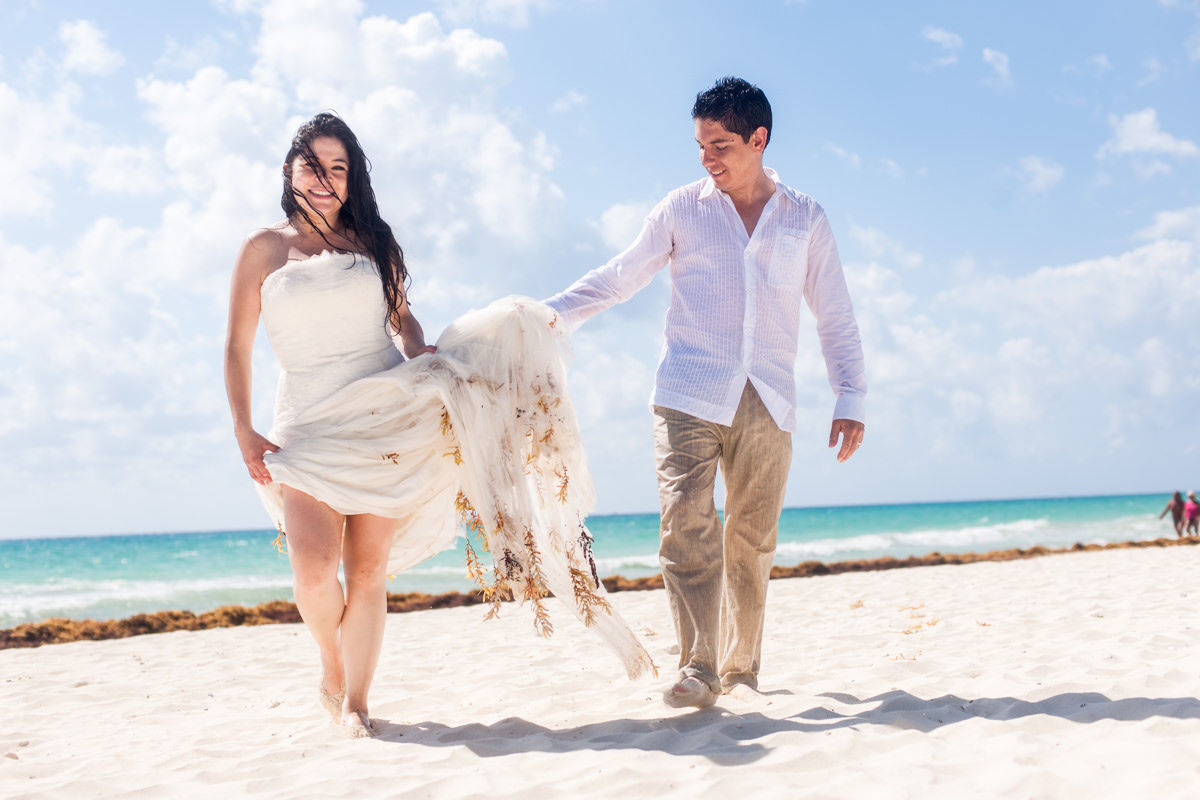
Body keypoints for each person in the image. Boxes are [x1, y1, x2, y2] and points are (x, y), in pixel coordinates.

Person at [225, 113, 652, 738]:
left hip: (387, 416)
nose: (324, 179)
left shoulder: (372, 244)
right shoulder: (263, 249)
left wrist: (424, 359)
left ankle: (356, 705)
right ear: (289, 170)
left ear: (351, 179)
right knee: (314, 572)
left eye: (337, 168)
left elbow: (405, 324)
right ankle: (330, 661)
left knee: (366, 572)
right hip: (308, 424)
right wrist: (244, 428)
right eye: (312, 165)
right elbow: (236, 347)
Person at [543, 77, 866, 709]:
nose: (707, 159)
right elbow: (618, 278)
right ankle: (698, 666)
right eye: (699, 146)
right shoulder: (680, 209)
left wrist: (850, 394)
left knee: (751, 538)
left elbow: (834, 313)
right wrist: (542, 317)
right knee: (684, 525)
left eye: (719, 145)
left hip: (769, 400)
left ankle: (741, 669)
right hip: (687, 392)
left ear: (758, 139)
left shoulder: (805, 217)